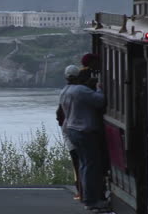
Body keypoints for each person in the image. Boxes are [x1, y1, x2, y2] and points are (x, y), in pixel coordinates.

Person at [59, 65, 108, 211]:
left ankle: (86, 196)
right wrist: (99, 87)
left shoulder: (64, 91)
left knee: (84, 165)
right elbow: (100, 101)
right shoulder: (81, 90)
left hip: (72, 130)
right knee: (91, 165)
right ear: (78, 76)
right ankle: (91, 200)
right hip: (84, 131)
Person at [56, 66, 82, 201]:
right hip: (77, 131)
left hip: (68, 132)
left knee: (76, 163)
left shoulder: (63, 93)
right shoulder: (81, 92)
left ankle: (80, 190)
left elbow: (59, 116)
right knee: (82, 162)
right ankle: (82, 190)